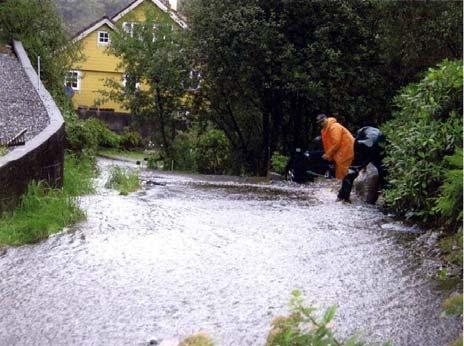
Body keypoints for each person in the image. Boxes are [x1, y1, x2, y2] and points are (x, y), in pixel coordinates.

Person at [337, 126, 385, 203]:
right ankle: (386, 202)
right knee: (384, 173)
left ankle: (343, 197)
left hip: (368, 145)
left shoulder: (358, 137)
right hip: (380, 146)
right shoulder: (373, 132)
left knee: (351, 172)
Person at [316, 113, 354, 202]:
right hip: (341, 153)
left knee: (347, 175)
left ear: (326, 119)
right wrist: (330, 156)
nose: (321, 124)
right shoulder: (325, 130)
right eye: (320, 123)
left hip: (346, 152)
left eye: (322, 121)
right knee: (345, 175)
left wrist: (328, 154)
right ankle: (343, 197)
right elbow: (329, 144)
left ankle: (344, 197)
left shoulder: (334, 127)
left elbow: (336, 143)